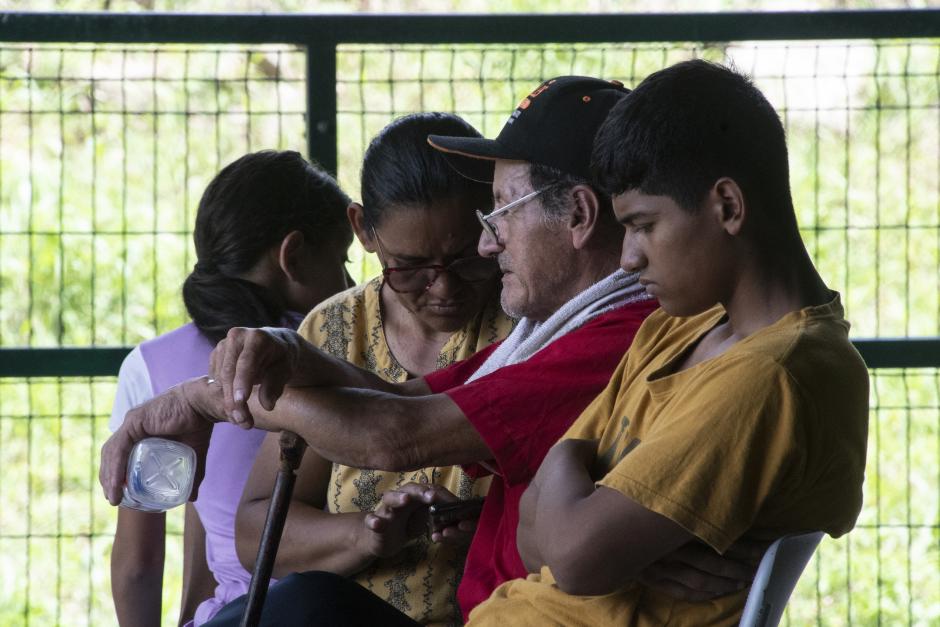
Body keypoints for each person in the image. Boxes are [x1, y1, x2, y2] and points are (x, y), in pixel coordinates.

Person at [101, 76, 755, 626]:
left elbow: (395, 434)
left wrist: (198, 399)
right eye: (410, 266)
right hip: (504, 607)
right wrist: (289, 354)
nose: (491, 245)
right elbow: (406, 399)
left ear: (580, 216)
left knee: (306, 609)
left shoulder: (609, 334)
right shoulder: (554, 328)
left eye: (497, 215)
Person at [465, 59, 870, 626]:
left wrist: (571, 471)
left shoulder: (775, 374)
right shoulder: (674, 327)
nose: (628, 258)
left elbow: (575, 560)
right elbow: (534, 536)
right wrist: (601, 533)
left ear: (727, 206)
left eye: (643, 225)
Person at [231, 112, 514, 626]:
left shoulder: (528, 324)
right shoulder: (333, 332)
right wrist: (367, 534)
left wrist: (485, 526)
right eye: (410, 267)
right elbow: (256, 532)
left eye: (468, 258)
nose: (445, 288)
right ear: (363, 229)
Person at [107, 150, 353, 627]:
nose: (350, 283)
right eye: (342, 261)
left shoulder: (153, 365)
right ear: (293, 255)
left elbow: (138, 564)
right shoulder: (351, 348)